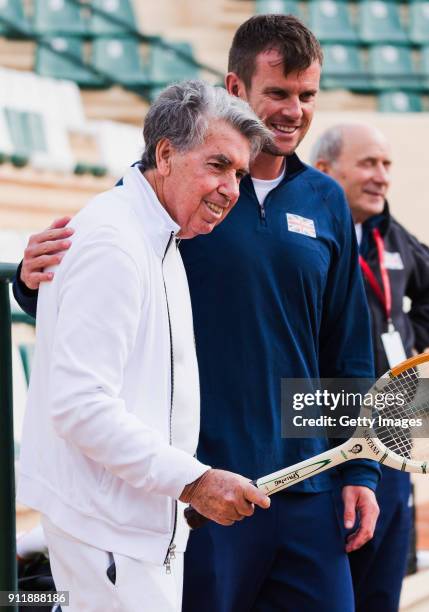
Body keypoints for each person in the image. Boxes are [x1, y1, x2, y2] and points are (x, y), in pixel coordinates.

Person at [13, 16, 380, 612]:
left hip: (306, 482)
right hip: (201, 490)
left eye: (307, 96)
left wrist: (361, 469)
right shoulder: (173, 191)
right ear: (236, 89)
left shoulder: (326, 200)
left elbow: (347, 347)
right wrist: (33, 284)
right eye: (277, 94)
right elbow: (99, 285)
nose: (293, 112)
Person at [16, 80, 272, 612]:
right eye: (218, 165)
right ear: (165, 154)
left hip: (135, 530)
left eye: (239, 174)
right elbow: (80, 406)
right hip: (109, 535)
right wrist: (195, 480)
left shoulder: (158, 233)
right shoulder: (114, 241)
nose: (230, 188)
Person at [311, 122, 429, 612]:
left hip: (391, 429)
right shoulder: (306, 234)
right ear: (326, 170)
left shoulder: (389, 234)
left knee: (382, 581)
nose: (381, 176)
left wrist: (410, 340)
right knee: (330, 580)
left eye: (386, 164)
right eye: (368, 163)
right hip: (323, 426)